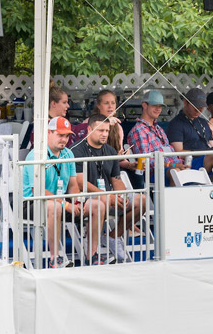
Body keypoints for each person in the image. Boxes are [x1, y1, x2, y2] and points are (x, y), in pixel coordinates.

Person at [21, 117, 102, 268]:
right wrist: (66, 204)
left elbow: (73, 185)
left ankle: (92, 254)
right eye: (60, 135)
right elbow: (38, 190)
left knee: (97, 205)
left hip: (60, 201)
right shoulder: (36, 155)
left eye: (67, 135)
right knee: (55, 206)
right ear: (49, 133)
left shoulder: (68, 154)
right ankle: (55, 258)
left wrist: (77, 201)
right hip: (33, 202)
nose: (64, 139)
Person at [70, 114, 144, 263]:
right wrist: (109, 195)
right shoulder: (77, 149)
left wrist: (120, 195)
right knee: (103, 199)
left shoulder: (110, 150)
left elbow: (116, 179)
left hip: (108, 197)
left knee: (141, 200)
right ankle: (93, 250)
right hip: (85, 198)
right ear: (89, 129)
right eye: (100, 130)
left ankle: (113, 236)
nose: (104, 134)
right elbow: (79, 182)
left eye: (106, 130)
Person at [126, 90, 184, 185]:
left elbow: (171, 153)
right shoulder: (138, 130)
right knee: (176, 172)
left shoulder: (159, 129)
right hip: (158, 174)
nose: (158, 109)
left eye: (160, 106)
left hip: (175, 167)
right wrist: (174, 165)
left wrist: (181, 164)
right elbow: (146, 162)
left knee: (208, 160)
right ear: (144, 105)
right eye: (154, 105)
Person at [166, 87, 213, 172]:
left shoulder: (203, 122)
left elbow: (212, 145)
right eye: (195, 106)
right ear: (185, 103)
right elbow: (178, 152)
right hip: (191, 161)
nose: (199, 109)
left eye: (201, 106)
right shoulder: (176, 124)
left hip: (207, 158)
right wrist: (202, 153)